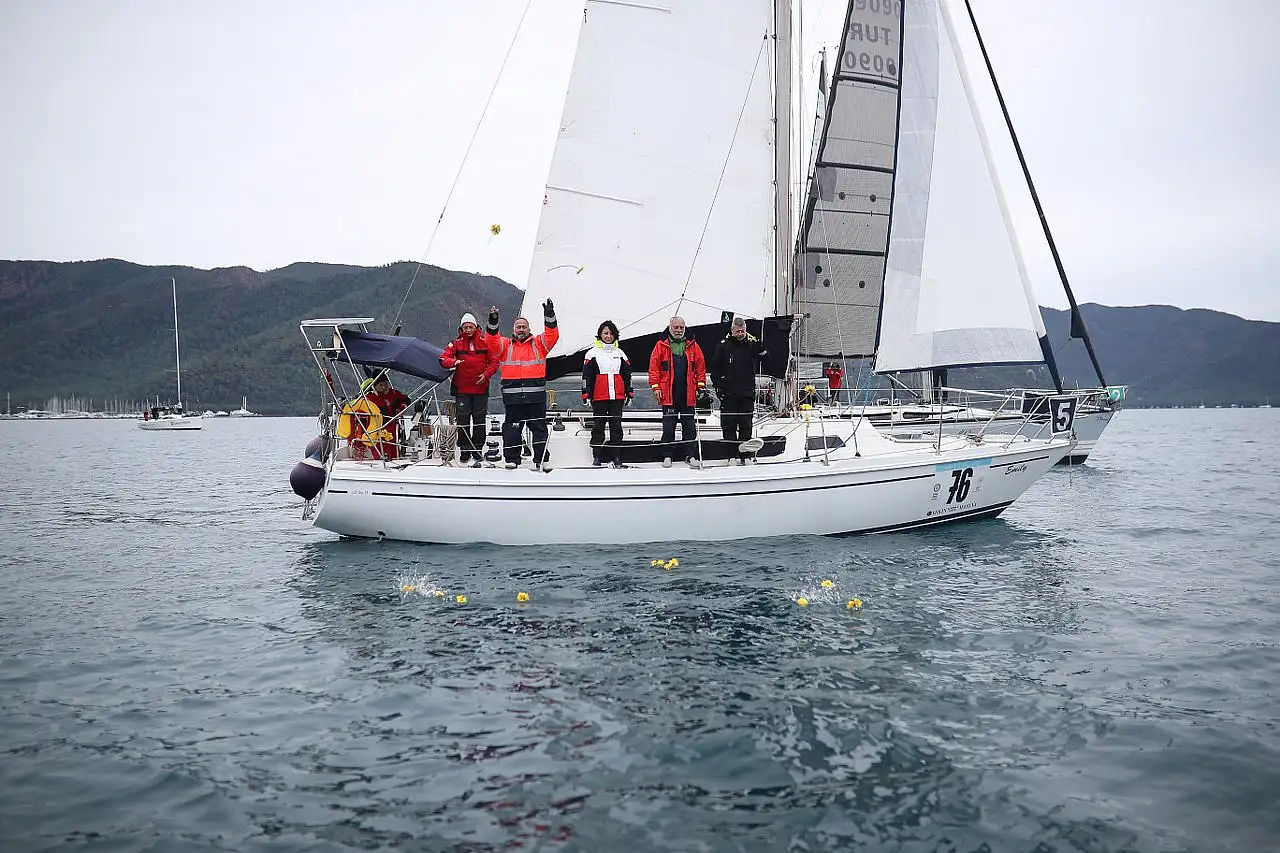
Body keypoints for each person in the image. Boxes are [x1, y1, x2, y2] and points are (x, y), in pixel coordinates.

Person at [485, 300, 559, 471]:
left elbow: (552, 335)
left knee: (539, 429)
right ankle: (512, 460)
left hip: (536, 397)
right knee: (512, 430)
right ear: (513, 330)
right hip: (513, 399)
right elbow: (490, 341)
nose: (521, 329)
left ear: (529, 329)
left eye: (524, 327)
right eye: (518, 327)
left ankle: (540, 459)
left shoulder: (540, 344)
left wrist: (549, 315)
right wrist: (493, 321)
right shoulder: (505, 345)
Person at [439, 312, 499, 466]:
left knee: (479, 421)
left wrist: (486, 375)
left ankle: (477, 449)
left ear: (476, 326)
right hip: (462, 390)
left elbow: (494, 363)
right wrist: (454, 362)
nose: (468, 329)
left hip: (481, 389)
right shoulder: (456, 344)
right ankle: (465, 450)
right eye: (465, 327)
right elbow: (443, 359)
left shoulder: (485, 343)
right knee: (463, 420)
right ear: (461, 328)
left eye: (470, 326)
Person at [649, 315, 706, 467]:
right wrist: (656, 388)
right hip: (668, 394)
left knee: (689, 426)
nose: (679, 330)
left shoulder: (693, 345)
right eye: (676, 327)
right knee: (668, 427)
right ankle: (667, 455)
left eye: (681, 327)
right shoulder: (661, 345)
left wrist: (700, 386)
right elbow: (654, 369)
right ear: (670, 327)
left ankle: (690, 455)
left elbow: (700, 367)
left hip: (688, 394)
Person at [711, 317, 767, 462]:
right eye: (737, 331)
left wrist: (761, 348)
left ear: (746, 330)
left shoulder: (751, 345)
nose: (740, 334)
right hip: (728, 394)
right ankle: (731, 456)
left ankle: (745, 455)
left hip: (747, 393)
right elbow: (714, 370)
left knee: (746, 426)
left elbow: (767, 360)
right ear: (732, 331)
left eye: (742, 331)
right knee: (728, 426)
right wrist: (718, 386)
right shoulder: (723, 346)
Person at [581, 320, 633, 467]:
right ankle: (597, 457)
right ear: (600, 335)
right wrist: (586, 394)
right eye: (605, 333)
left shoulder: (620, 353)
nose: (608, 336)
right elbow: (587, 376)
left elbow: (627, 374)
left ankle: (617, 457)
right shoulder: (592, 353)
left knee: (616, 426)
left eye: (611, 333)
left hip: (617, 396)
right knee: (598, 426)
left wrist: (629, 392)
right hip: (599, 396)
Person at [366, 374, 410, 459]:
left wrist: (402, 407)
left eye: (386, 384)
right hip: (377, 428)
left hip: (393, 426)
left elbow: (406, 400)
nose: (384, 387)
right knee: (378, 449)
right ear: (375, 386)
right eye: (381, 385)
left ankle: (394, 460)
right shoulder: (371, 397)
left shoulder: (394, 394)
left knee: (394, 449)